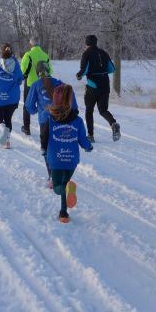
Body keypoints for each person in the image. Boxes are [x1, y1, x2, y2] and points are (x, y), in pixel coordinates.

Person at [45, 83, 93, 223]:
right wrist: (88, 146)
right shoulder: (78, 120)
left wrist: (43, 148)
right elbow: (82, 139)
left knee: (57, 188)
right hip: (71, 160)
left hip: (56, 159)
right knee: (66, 184)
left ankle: (65, 205)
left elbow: (44, 136)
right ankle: (63, 213)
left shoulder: (50, 119)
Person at [24, 61, 77, 183]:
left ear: (37, 73)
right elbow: (72, 101)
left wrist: (37, 110)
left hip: (45, 121)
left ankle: (53, 176)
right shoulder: (60, 84)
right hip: (62, 120)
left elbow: (29, 106)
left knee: (47, 149)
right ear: (49, 70)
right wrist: (73, 112)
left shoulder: (36, 85)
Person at [76, 35, 120, 142]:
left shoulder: (86, 54)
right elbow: (112, 69)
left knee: (89, 110)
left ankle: (90, 136)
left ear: (86, 43)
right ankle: (113, 123)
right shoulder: (103, 52)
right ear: (96, 42)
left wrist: (79, 75)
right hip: (105, 85)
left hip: (93, 86)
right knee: (103, 110)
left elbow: (84, 69)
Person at [0, 43, 24, 149]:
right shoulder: (16, 64)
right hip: (12, 99)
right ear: (11, 52)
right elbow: (20, 79)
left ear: (1, 52)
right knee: (8, 118)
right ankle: (7, 142)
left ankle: (3, 129)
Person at [20, 39, 51, 136]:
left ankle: (26, 128)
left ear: (30, 45)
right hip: (43, 84)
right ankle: (45, 129)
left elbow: (23, 70)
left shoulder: (28, 55)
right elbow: (50, 71)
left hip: (30, 84)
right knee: (43, 106)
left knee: (27, 105)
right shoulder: (45, 56)